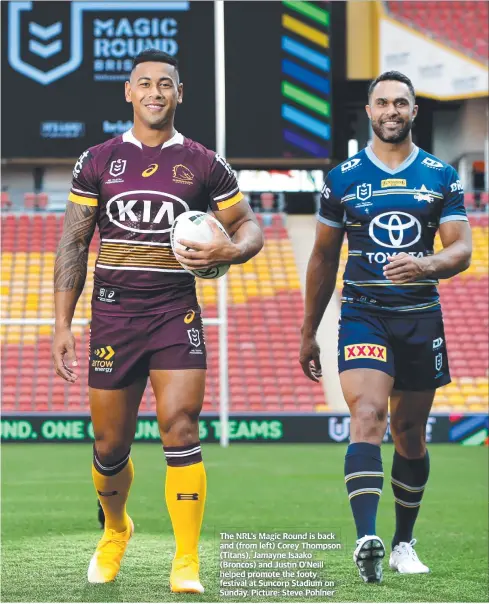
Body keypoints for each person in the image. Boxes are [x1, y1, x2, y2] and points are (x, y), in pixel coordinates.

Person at [52, 49, 263, 592]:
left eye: (164, 84)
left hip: (175, 311)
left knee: (182, 427)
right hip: (114, 316)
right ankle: (116, 529)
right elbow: (75, 242)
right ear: (128, 91)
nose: (154, 93)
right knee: (108, 443)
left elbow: (248, 226)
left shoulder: (203, 162)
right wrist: (61, 324)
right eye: (144, 84)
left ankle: (186, 558)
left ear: (179, 92)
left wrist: (231, 254)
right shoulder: (96, 160)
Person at [299, 71, 471, 583]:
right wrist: (308, 330)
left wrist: (425, 265)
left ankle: (403, 543)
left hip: (420, 316)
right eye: (382, 102)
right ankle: (366, 539)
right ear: (369, 112)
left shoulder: (441, 175)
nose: (391, 110)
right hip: (363, 314)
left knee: (411, 435)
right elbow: (323, 258)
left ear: (413, 111)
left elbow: (461, 249)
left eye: (401, 102)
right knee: (368, 415)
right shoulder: (343, 177)